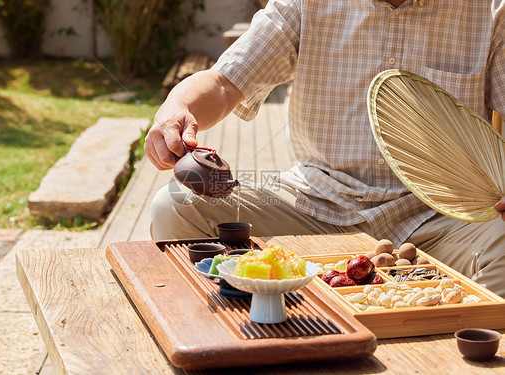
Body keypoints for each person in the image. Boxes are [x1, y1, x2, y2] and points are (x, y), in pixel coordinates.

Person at [145, 0, 505, 296]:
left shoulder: (490, 10)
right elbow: (225, 83)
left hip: (441, 216)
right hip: (317, 201)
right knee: (177, 208)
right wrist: (179, 107)